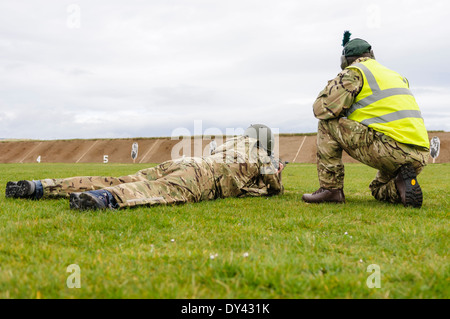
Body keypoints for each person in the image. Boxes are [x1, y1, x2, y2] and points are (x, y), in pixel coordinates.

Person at [6, 124, 284, 210]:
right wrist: (278, 173)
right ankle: (103, 200)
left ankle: (40, 187)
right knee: (159, 191)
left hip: (185, 161)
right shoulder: (263, 156)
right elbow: (275, 188)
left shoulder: (231, 144)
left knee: (117, 177)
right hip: (201, 176)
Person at [302, 31, 430, 208]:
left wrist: (333, 86)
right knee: (378, 189)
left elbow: (322, 109)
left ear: (345, 61)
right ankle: (401, 182)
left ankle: (331, 189)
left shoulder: (354, 72)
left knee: (326, 123)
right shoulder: (395, 75)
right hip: (420, 154)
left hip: (389, 149)